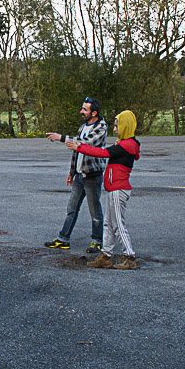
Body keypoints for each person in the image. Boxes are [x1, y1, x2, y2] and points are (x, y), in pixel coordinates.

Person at [66, 110, 141, 270]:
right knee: (108, 223)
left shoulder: (126, 145)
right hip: (113, 189)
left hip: (118, 189)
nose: (114, 129)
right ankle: (106, 255)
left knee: (118, 225)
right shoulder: (124, 143)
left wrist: (79, 147)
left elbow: (102, 153)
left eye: (117, 126)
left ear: (125, 126)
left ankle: (129, 256)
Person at [43, 97, 107, 253]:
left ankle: (97, 241)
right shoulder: (83, 126)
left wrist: (61, 137)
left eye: (85, 109)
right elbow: (76, 151)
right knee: (72, 208)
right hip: (79, 175)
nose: (81, 111)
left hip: (92, 175)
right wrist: (72, 172)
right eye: (82, 108)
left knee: (95, 211)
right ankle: (63, 239)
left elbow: (84, 143)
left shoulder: (101, 127)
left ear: (94, 113)